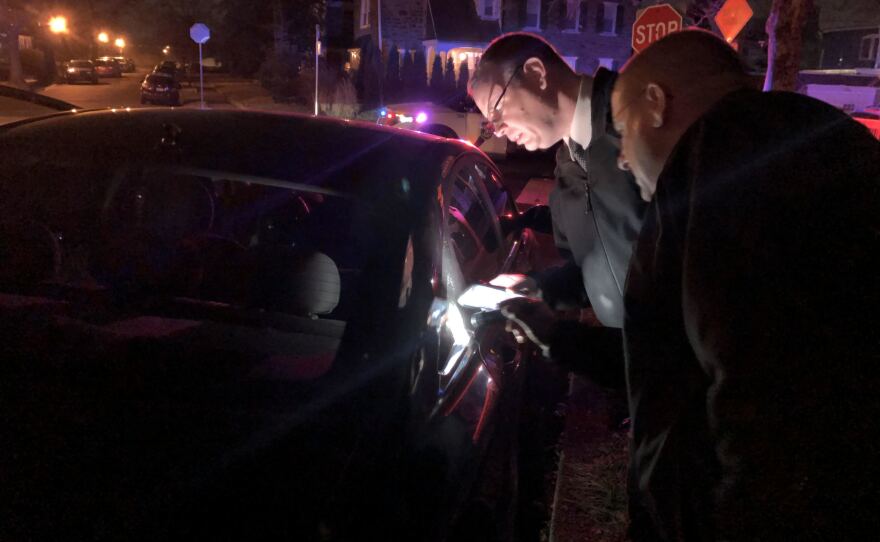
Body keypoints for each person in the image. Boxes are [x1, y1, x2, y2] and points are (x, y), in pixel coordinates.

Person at [607, 29, 879, 540]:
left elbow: (760, 388)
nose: (622, 155)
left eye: (623, 127)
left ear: (656, 102)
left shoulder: (727, 152)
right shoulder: (815, 140)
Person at [468, 33, 644, 373]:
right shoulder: (567, 169)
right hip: (643, 379)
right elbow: (596, 269)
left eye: (498, 108)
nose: (499, 130)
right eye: (492, 122)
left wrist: (559, 338)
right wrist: (537, 286)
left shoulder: (639, 123)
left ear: (536, 73)